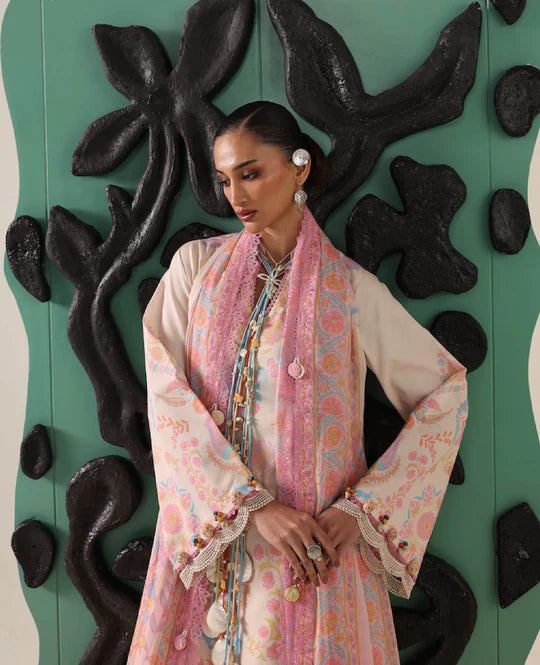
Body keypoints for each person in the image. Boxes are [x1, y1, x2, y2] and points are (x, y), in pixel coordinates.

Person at [127, 101, 469, 665]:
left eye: (251, 173)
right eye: (225, 179)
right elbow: (167, 399)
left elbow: (446, 392)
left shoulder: (350, 291)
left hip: (312, 554)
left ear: (299, 167)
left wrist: (362, 512)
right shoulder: (194, 271)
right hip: (211, 540)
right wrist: (249, 508)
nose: (235, 196)